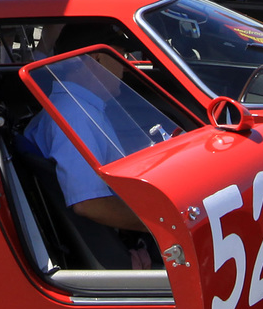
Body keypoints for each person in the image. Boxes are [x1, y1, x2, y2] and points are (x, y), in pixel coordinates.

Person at [19, 45, 179, 235]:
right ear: (97, 59)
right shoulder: (74, 115)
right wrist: (169, 226)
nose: (126, 66)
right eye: (120, 56)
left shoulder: (80, 107)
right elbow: (89, 204)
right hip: (118, 237)